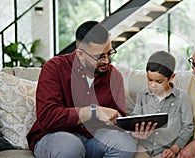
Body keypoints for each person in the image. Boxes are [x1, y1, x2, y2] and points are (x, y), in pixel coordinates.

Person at [26, 21, 136, 158]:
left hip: (94, 138)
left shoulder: (114, 76)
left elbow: (117, 122)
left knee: (125, 144)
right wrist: (92, 112)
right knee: (70, 146)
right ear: (80, 54)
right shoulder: (54, 68)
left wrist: (133, 132)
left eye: (109, 53)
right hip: (55, 137)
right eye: (99, 57)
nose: (106, 61)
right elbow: (47, 118)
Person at [131, 51, 194, 158]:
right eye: (150, 80)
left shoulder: (182, 98)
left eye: (159, 81)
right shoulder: (143, 94)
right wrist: (135, 131)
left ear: (171, 77)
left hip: (167, 150)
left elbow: (188, 127)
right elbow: (135, 118)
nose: (153, 85)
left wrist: (174, 148)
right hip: (144, 147)